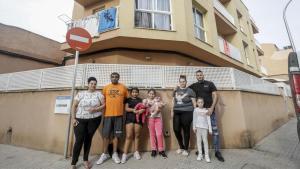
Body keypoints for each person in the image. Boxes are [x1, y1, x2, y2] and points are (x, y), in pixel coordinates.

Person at [189, 70, 225, 162]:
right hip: (199, 113)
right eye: (198, 75)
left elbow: (215, 95)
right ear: (196, 76)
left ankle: (217, 152)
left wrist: (212, 108)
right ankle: (202, 151)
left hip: (209, 111)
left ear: (203, 75)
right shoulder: (194, 86)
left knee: (214, 131)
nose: (199, 76)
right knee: (200, 132)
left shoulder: (210, 84)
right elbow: (185, 90)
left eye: (201, 75)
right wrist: (176, 88)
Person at [71, 77, 105, 169]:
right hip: (80, 119)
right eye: (91, 83)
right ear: (88, 84)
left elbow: (103, 105)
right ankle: (73, 162)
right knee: (79, 140)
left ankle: (86, 160)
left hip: (94, 120)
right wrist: (73, 118)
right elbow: (74, 106)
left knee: (88, 139)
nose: (93, 85)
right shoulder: (81, 94)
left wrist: (95, 109)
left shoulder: (99, 94)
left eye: (94, 84)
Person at [96, 72, 128, 165]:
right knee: (106, 136)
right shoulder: (106, 88)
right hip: (107, 115)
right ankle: (104, 154)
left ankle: (114, 154)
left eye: (116, 77)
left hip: (119, 115)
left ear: (119, 78)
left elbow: (126, 100)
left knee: (116, 136)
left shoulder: (123, 87)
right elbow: (102, 101)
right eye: (113, 77)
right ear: (110, 78)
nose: (114, 78)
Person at [171, 75, 196, 156]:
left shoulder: (190, 91)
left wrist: (196, 112)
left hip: (187, 111)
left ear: (186, 82)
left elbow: (194, 102)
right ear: (179, 82)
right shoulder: (175, 90)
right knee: (176, 129)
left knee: (186, 130)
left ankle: (185, 149)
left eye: (183, 81)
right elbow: (173, 101)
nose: (182, 83)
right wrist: (172, 111)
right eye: (181, 81)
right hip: (177, 111)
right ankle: (181, 146)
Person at [121, 87, 145, 164]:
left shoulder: (141, 100)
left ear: (138, 93)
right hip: (129, 119)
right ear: (131, 93)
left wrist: (142, 110)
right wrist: (133, 110)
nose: (135, 93)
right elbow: (126, 109)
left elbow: (144, 108)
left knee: (137, 136)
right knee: (128, 136)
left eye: (136, 92)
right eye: (133, 92)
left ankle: (136, 152)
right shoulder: (128, 100)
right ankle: (124, 154)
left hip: (138, 120)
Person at [146, 89, 168, 158]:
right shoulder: (146, 101)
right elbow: (146, 109)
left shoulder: (157, 100)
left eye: (153, 94)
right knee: (152, 134)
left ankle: (161, 150)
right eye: (150, 93)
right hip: (150, 119)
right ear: (148, 94)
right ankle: (154, 150)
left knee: (159, 134)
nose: (151, 95)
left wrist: (160, 106)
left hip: (158, 119)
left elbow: (162, 106)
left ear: (155, 95)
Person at [193, 97, 212, 162]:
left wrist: (210, 129)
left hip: (205, 128)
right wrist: (194, 127)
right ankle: (200, 155)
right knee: (198, 141)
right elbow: (194, 118)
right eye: (199, 102)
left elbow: (208, 120)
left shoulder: (206, 110)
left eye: (201, 102)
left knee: (205, 141)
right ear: (197, 103)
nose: (200, 103)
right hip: (198, 128)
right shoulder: (195, 110)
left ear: (203, 103)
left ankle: (207, 155)